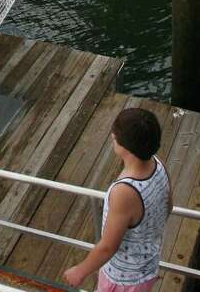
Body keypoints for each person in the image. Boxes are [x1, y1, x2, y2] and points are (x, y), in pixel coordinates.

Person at [64, 109, 171, 292]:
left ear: (126, 147)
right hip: (147, 266)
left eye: (115, 136)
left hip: (124, 280)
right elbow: (168, 207)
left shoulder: (124, 191)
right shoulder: (158, 165)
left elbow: (108, 247)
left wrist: (80, 271)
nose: (113, 137)